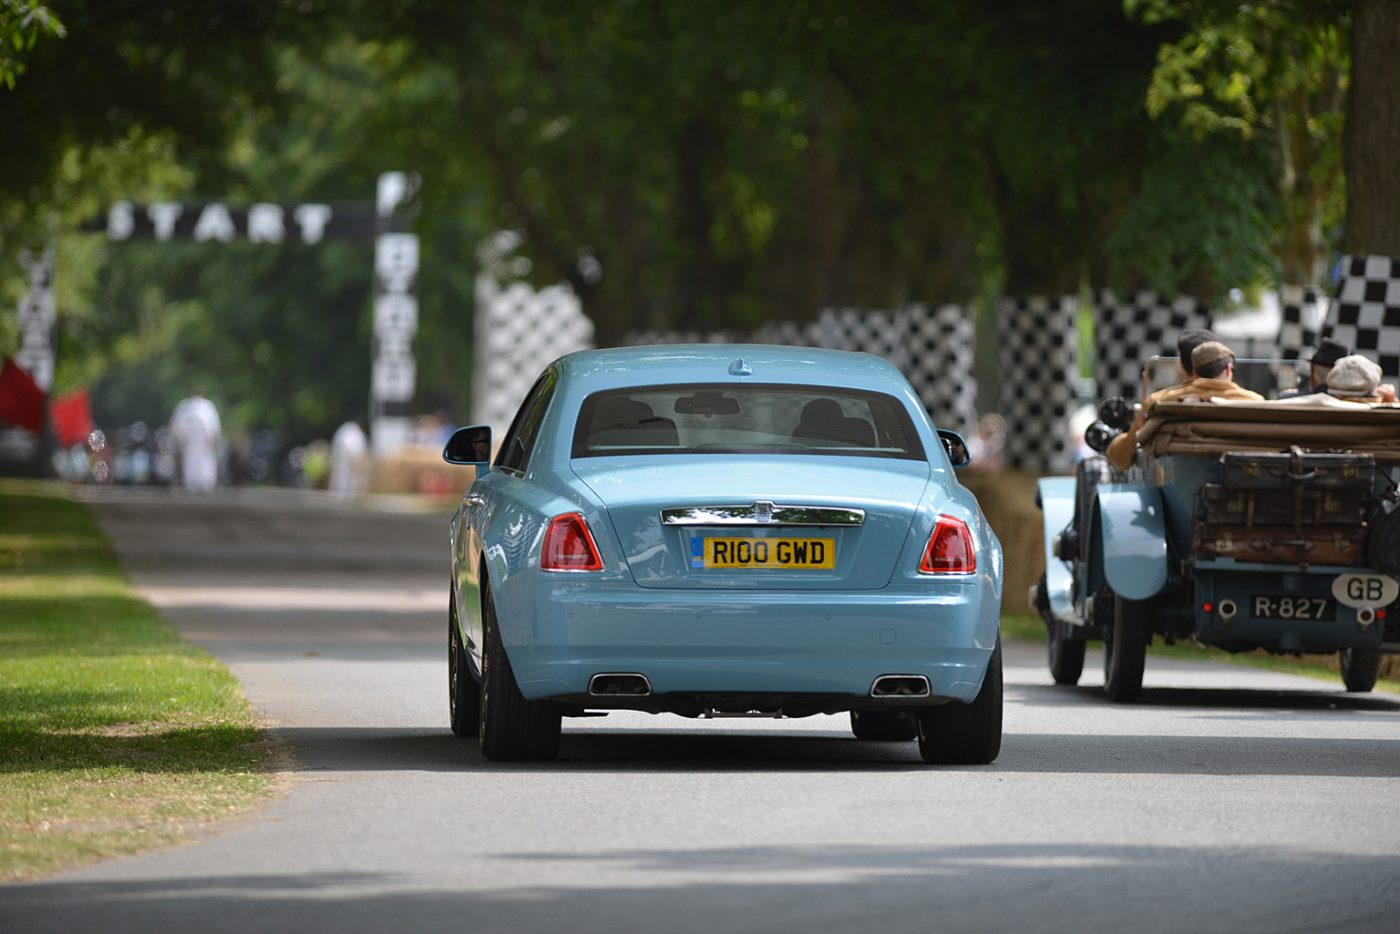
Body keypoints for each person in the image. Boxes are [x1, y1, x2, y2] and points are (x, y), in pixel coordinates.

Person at [1107, 341, 1263, 471]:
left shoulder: (1160, 401)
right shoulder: (1255, 402)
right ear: (1228, 370)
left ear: (1194, 373)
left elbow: (1121, 458)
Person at [1104, 328, 1222, 472]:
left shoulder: (1159, 401)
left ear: (1183, 366)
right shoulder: (1251, 400)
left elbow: (1120, 458)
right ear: (1225, 367)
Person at [169, 389, 222, 492]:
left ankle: (199, 484)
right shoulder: (207, 406)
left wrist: (181, 439)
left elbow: (177, 425)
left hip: (199, 441)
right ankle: (200, 484)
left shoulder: (187, 406)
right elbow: (214, 426)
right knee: (198, 462)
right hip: (196, 441)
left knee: (197, 462)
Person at [329, 419, 369, 497]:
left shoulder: (345, 429)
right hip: (348, 459)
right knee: (348, 481)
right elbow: (356, 451)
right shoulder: (356, 433)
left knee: (339, 479)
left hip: (339, 457)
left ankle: (338, 497)